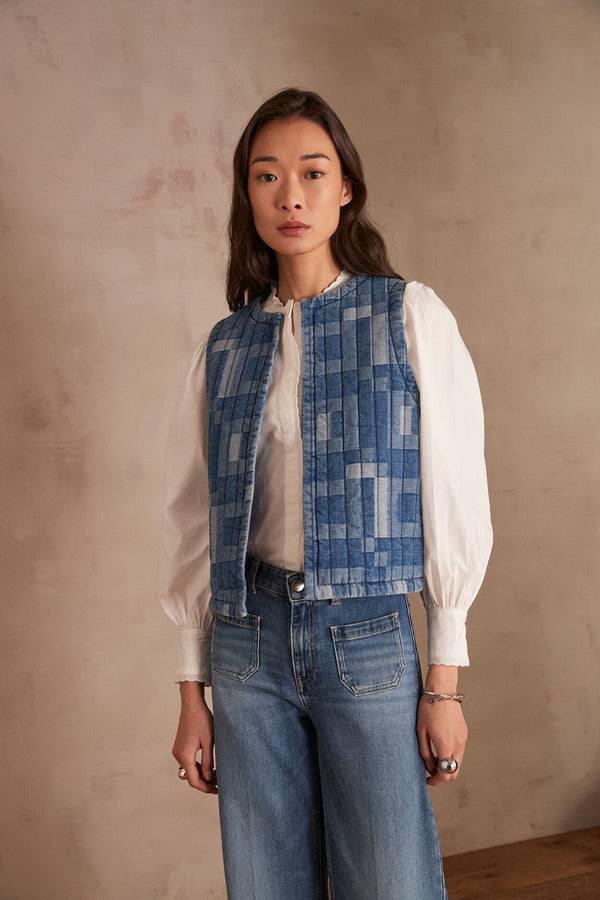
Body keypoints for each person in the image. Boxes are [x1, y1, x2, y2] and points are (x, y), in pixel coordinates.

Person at [160, 88, 493, 900]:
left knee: (390, 882)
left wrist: (443, 683)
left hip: (367, 635)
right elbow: (194, 519)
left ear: (346, 187)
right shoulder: (225, 346)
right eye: (266, 176)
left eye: (312, 172)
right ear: (248, 195)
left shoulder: (408, 316)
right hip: (246, 645)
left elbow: (454, 494)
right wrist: (190, 691)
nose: (291, 196)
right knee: (265, 884)